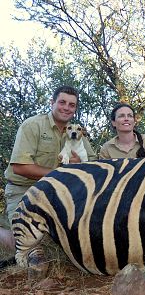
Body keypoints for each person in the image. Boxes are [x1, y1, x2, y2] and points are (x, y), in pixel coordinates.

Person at [0, 85, 97, 250]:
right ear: (52, 102)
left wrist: (80, 162)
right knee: (26, 244)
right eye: (62, 102)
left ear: (75, 109)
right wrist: (60, 173)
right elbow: (19, 167)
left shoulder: (76, 131)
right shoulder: (32, 125)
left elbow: (94, 163)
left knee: (71, 240)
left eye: (71, 105)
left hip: (60, 192)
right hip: (24, 189)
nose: (66, 108)